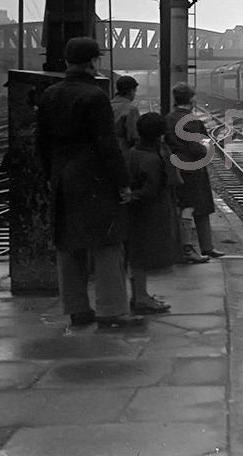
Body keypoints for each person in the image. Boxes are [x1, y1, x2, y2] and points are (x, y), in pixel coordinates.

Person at [35, 37, 143, 328]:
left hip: (63, 177)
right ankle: (111, 310)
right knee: (108, 244)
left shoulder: (50, 95)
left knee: (69, 244)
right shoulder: (95, 96)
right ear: (94, 61)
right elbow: (106, 145)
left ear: (67, 61)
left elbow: (42, 143)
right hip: (95, 178)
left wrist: (50, 177)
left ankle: (76, 308)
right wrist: (123, 182)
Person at [125, 112, 179, 314]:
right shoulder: (152, 160)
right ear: (160, 134)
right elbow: (150, 191)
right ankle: (141, 298)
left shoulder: (133, 151)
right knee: (142, 256)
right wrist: (134, 197)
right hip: (149, 213)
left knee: (136, 254)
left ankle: (139, 295)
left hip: (135, 212)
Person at [165, 82, 223, 262]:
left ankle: (206, 247)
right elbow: (197, 147)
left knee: (197, 205)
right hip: (192, 168)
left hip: (176, 166)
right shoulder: (192, 121)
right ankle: (188, 249)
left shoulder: (168, 118)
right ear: (191, 99)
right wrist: (206, 149)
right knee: (191, 206)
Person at [111, 75, 140, 153]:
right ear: (130, 91)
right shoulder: (131, 109)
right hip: (124, 149)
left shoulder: (108, 105)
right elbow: (133, 135)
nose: (135, 94)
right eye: (134, 91)